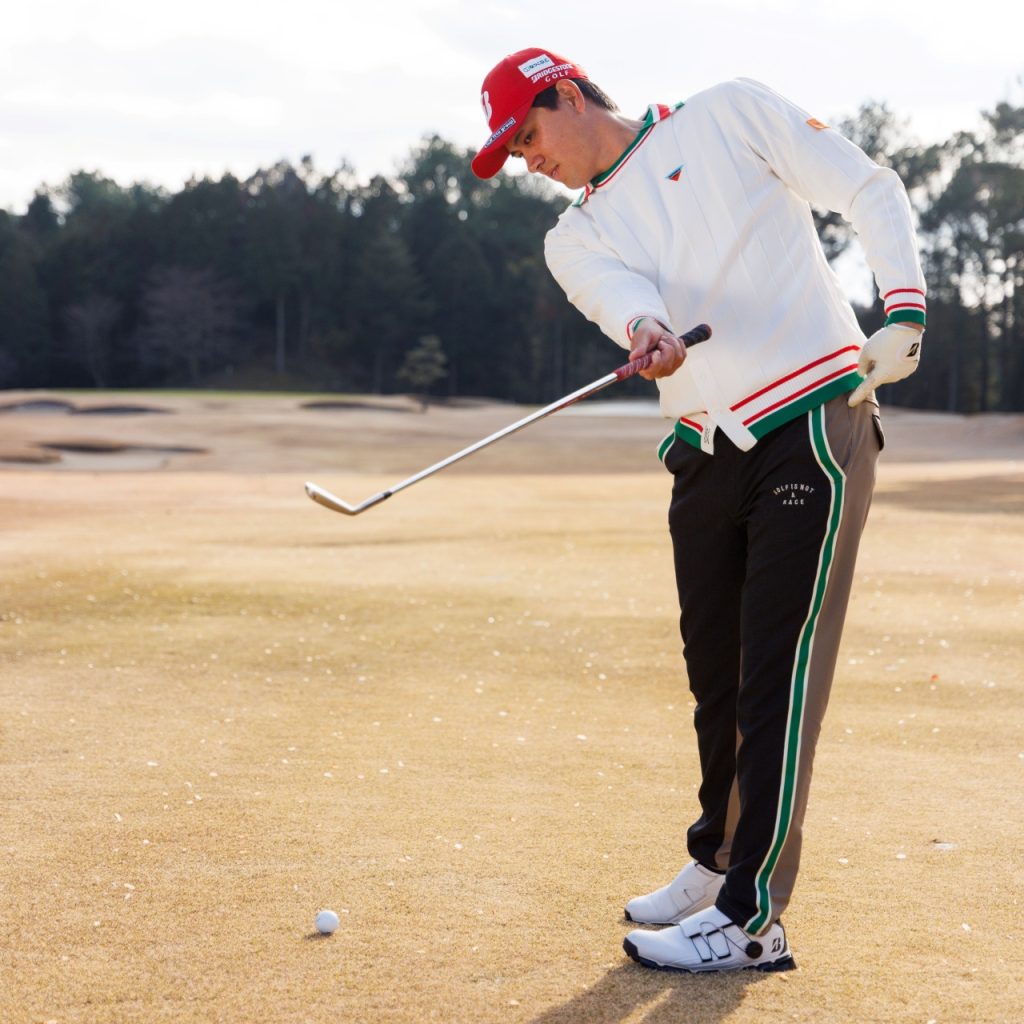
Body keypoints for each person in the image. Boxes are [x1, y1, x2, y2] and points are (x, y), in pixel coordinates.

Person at [470, 48, 926, 974]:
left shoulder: (727, 113)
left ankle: (752, 919)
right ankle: (717, 862)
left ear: (568, 94)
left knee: (776, 681)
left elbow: (869, 187)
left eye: (528, 135)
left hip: (811, 420)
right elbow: (624, 299)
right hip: (704, 451)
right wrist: (646, 329)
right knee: (716, 678)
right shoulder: (572, 237)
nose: (527, 159)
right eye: (513, 152)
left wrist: (905, 311)